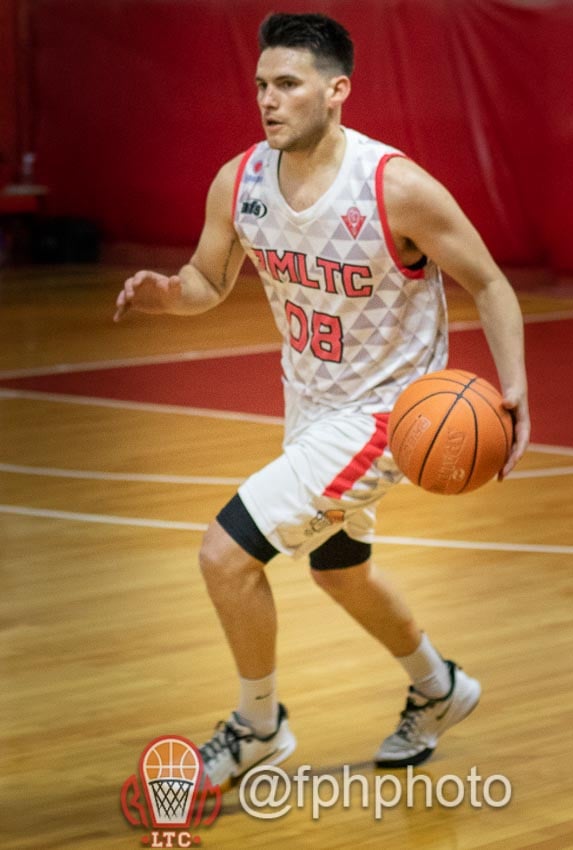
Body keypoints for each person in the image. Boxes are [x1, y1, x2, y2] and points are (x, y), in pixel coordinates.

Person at [114, 12, 530, 786]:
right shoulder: (240, 180)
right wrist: (166, 295)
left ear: (336, 90)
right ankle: (440, 690)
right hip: (308, 407)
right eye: (262, 85)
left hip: (386, 412)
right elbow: (208, 281)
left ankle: (257, 726)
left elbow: (491, 283)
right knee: (340, 570)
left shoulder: (394, 188)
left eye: (288, 85)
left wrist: (514, 394)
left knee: (225, 554)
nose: (269, 100)